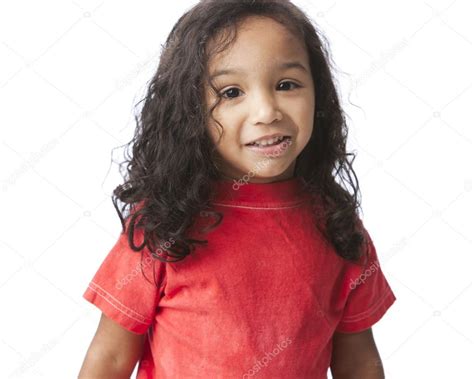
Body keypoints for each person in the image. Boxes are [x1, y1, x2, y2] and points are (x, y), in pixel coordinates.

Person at [78, 0, 397, 378]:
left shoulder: (339, 228)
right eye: (231, 92)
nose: (266, 111)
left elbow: (358, 360)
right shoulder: (166, 224)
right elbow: (111, 359)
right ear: (190, 109)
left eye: (286, 85)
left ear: (320, 94)